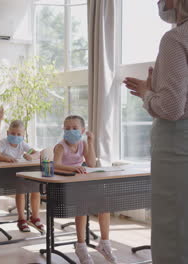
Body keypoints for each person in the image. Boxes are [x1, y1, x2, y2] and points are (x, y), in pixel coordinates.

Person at [124, 1, 188, 262]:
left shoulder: (176, 38)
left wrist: (147, 94)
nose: (160, 3)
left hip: (178, 150)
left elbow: (172, 108)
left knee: (173, 232)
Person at [53, 115, 116, 264]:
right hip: (66, 185)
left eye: (75, 128)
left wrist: (91, 142)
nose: (70, 131)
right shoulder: (61, 146)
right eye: (67, 128)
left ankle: (105, 244)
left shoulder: (83, 144)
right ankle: (81, 246)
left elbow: (92, 163)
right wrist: (73, 168)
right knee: (82, 207)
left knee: (104, 205)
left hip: (82, 183)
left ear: (82, 130)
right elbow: (55, 165)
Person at [0, 120, 43, 233]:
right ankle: (21, 219)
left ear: (23, 135)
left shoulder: (22, 144)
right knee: (21, 190)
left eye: (19, 134)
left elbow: (37, 153)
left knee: (36, 189)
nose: (16, 136)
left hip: (20, 173)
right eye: (13, 134)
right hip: (6, 175)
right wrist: (6, 158)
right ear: (8, 133)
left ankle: (35, 217)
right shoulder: (3, 143)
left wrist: (32, 157)